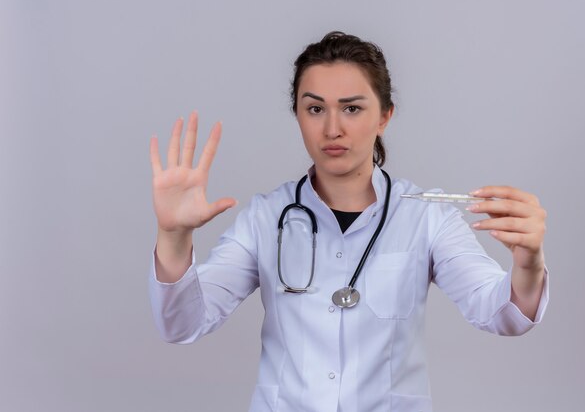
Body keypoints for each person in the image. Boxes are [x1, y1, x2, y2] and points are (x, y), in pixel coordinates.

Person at [148, 31, 548, 412]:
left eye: (352, 108)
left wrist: (528, 265)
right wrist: (173, 237)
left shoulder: (427, 218)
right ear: (298, 115)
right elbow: (184, 324)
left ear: (384, 117)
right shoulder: (265, 218)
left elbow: (501, 315)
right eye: (315, 108)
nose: (332, 128)